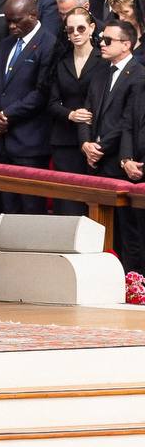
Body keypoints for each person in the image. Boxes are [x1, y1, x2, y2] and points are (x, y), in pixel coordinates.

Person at [0, 0, 59, 218]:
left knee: (31, 210)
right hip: (1, 139)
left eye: (17, 21)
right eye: (8, 21)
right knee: (7, 209)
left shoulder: (49, 43)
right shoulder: (6, 44)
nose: (12, 26)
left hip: (29, 142)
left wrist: (6, 115)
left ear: (33, 15)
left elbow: (41, 93)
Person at [82, 19, 145, 274]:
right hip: (98, 162)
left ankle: (132, 281)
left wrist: (101, 147)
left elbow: (127, 122)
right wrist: (85, 143)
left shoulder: (139, 75)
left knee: (129, 231)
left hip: (119, 161)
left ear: (126, 44)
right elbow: (86, 111)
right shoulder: (100, 71)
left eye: (108, 40)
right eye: (101, 39)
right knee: (101, 229)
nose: (102, 44)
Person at [48, 6, 106, 214]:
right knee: (67, 202)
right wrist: (70, 114)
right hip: (64, 140)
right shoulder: (61, 61)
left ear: (92, 28)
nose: (76, 34)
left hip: (95, 139)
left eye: (81, 28)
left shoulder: (103, 60)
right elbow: (51, 103)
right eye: (70, 30)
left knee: (93, 201)